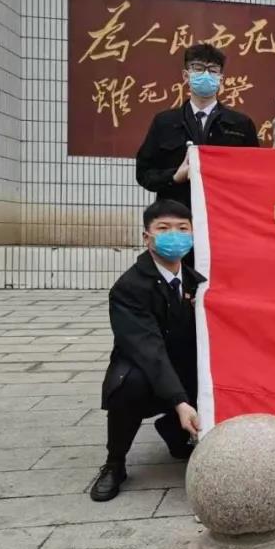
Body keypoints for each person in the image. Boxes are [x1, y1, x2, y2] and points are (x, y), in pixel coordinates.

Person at [90, 200, 203, 501]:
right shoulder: (129, 287)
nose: (174, 236)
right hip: (145, 368)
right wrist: (180, 401)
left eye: (183, 228)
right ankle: (115, 463)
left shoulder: (198, 281)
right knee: (131, 383)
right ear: (147, 237)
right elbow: (148, 350)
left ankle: (174, 430)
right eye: (163, 228)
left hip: (185, 368)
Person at [135, 44, 258, 209]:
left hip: (223, 213)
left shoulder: (241, 124)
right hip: (177, 214)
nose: (206, 75)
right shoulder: (165, 122)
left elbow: (254, 174)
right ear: (186, 75)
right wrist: (174, 176)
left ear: (221, 78)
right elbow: (144, 173)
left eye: (213, 70)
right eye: (198, 69)